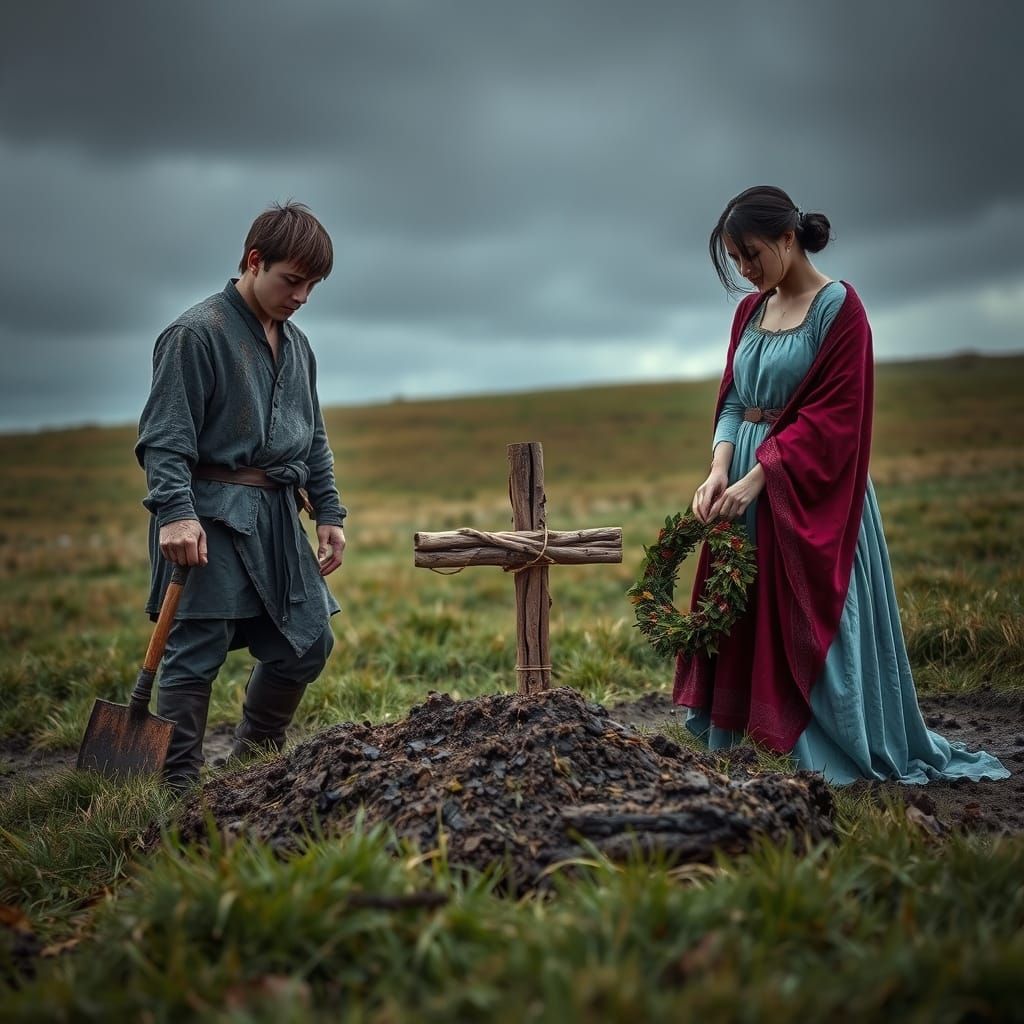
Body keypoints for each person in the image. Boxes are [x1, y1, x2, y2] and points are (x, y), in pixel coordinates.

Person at [675, 185, 1008, 785]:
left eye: (750, 254)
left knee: (811, 614)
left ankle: (822, 743)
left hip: (812, 490)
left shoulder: (840, 310)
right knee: (746, 612)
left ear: (786, 237)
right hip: (745, 486)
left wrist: (758, 478)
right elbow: (733, 399)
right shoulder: (749, 312)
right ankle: (744, 736)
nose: (745, 271)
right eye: (735, 260)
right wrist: (719, 468)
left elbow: (835, 420)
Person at [136, 201, 347, 790]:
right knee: (196, 650)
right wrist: (176, 515)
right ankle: (178, 787)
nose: (302, 295)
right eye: (293, 280)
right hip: (209, 517)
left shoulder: (299, 346)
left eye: (313, 285)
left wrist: (329, 511)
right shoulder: (194, 335)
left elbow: (314, 439)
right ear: (254, 261)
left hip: (278, 519)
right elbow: (164, 440)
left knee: (307, 641)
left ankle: (254, 761)